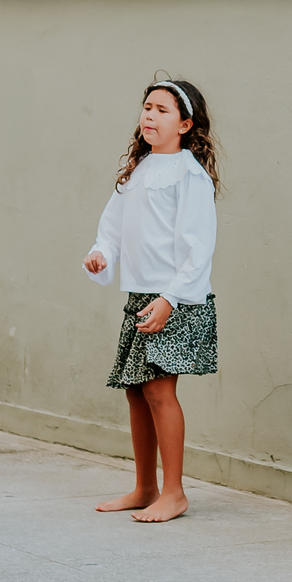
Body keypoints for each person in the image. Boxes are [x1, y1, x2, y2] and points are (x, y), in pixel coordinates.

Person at [83, 78, 218, 524]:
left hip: (174, 297)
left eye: (161, 110)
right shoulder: (138, 170)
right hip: (140, 295)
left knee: (160, 391)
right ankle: (145, 486)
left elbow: (199, 247)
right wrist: (102, 254)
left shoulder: (189, 174)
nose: (149, 116)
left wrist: (170, 299)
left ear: (185, 123)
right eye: (146, 107)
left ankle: (174, 492)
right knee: (136, 393)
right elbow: (113, 226)